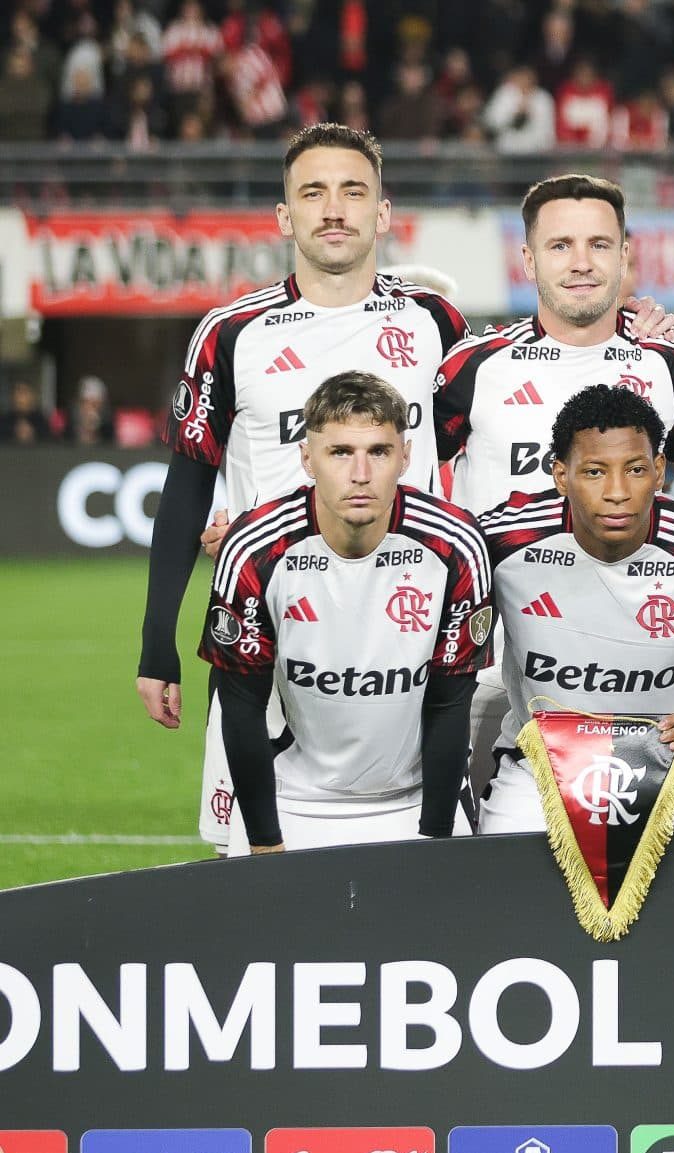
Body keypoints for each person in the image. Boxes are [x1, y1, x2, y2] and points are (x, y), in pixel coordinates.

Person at [138, 123, 467, 855]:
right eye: (312, 193)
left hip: (408, 627)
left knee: (426, 860)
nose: (334, 209)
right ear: (284, 217)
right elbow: (189, 481)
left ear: (383, 213)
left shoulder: (435, 323)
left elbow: (491, 439)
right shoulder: (231, 332)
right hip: (271, 632)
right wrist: (156, 639)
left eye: (354, 192)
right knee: (254, 867)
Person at [433, 173, 674, 819]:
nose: (580, 262)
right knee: (501, 879)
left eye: (599, 244)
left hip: (646, 671)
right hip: (497, 672)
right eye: (560, 244)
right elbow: (403, 485)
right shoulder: (473, 366)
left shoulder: (668, 363)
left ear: (626, 255)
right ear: (528, 259)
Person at [198, 371, 488, 855]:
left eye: (378, 451)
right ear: (307, 459)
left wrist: (435, 839)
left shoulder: (455, 544)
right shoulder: (253, 547)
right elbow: (242, 705)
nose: (360, 473)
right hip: (292, 798)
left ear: (406, 457)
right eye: (340, 453)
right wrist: (266, 841)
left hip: (412, 800)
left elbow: (447, 703)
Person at [477, 386, 674, 832]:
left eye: (635, 470)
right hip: (538, 769)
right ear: (561, 475)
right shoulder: (498, 541)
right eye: (595, 472)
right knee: (506, 884)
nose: (617, 492)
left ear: (659, 471)